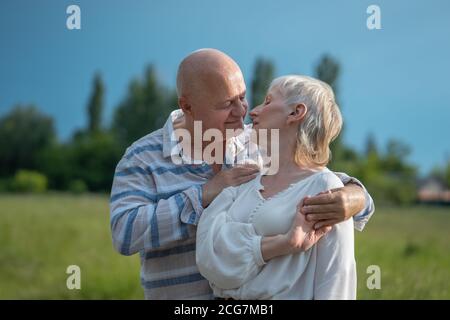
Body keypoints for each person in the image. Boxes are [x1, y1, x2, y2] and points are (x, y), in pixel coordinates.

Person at [110, 49, 374, 299]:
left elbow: (309, 177)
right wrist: (203, 195)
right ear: (188, 107)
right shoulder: (142, 157)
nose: (242, 111)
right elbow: (124, 233)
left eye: (242, 97)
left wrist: (355, 196)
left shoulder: (258, 140)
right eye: (226, 104)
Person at [196, 75, 357, 299]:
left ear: (295, 113)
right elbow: (208, 255)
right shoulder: (244, 180)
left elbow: (336, 280)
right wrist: (283, 243)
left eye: (268, 101)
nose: (252, 112)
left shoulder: (326, 187)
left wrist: (237, 242)